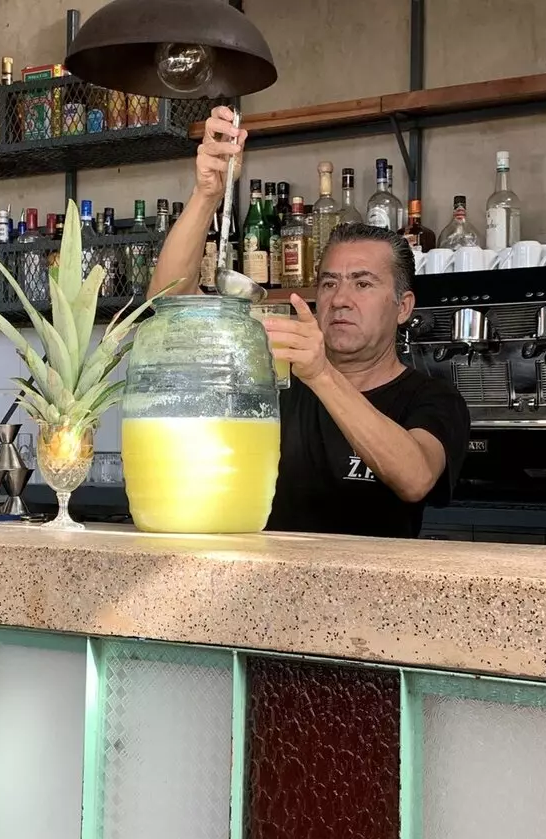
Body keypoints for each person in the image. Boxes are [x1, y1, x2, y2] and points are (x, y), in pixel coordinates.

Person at [148, 106, 470, 538]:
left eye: (363, 284)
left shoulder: (433, 398)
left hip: (370, 582)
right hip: (260, 576)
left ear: (403, 306)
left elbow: (415, 478)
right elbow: (168, 303)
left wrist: (321, 375)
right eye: (330, 283)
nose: (341, 299)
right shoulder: (276, 377)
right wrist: (207, 194)